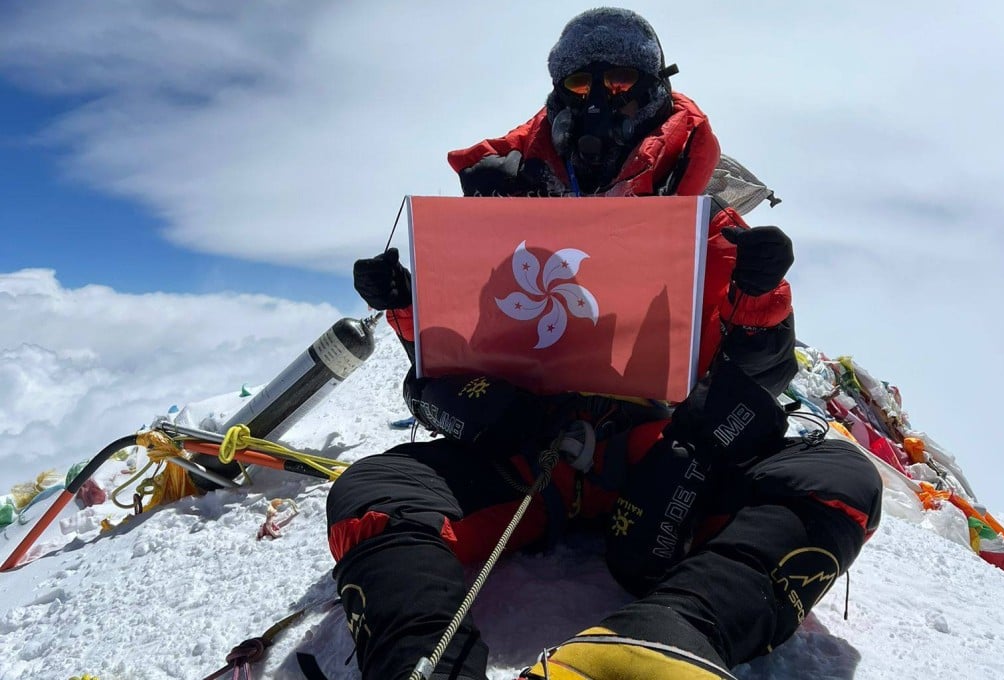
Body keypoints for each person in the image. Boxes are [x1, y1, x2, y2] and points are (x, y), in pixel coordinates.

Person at [328, 8, 882, 680]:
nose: (599, 98)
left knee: (840, 479)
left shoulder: (715, 227)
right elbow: (457, 356)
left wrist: (760, 291)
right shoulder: (495, 213)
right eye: (580, 82)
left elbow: (760, 375)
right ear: (557, 92)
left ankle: (667, 635)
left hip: (671, 461)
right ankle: (423, 659)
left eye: (619, 77)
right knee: (378, 489)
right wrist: (408, 306)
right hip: (532, 452)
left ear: (653, 86)